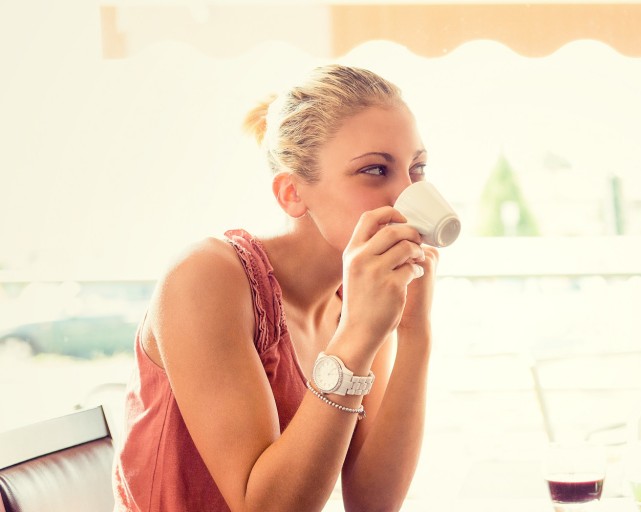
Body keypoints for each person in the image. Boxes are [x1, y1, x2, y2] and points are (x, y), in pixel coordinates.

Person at [113, 64, 437, 512]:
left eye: (417, 169)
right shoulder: (205, 277)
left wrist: (414, 329)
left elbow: (373, 502)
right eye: (375, 170)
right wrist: (359, 335)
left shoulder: (353, 303)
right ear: (291, 194)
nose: (407, 194)